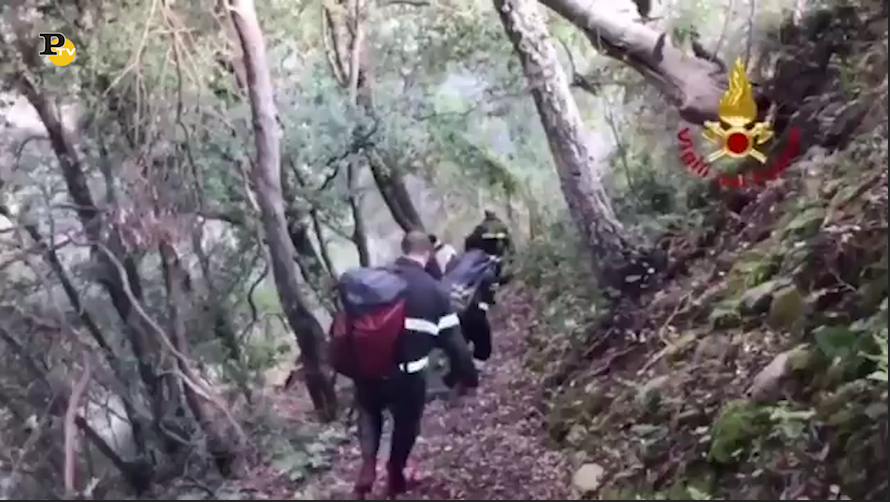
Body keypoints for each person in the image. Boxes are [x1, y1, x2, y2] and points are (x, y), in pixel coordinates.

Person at [351, 231, 479, 499]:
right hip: (407, 377)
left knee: (370, 412)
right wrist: (465, 376)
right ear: (428, 253)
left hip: (367, 369)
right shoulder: (433, 290)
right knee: (406, 425)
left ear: (404, 249)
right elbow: (455, 345)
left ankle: (368, 466)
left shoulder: (378, 279)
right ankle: (395, 475)